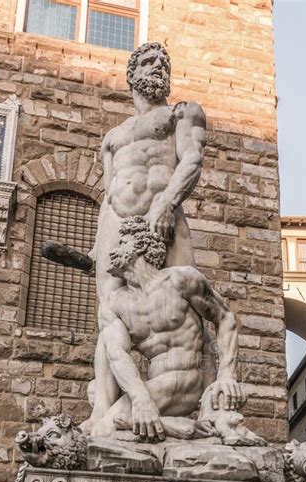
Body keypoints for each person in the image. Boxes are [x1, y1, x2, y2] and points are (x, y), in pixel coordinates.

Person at [83, 41, 207, 435]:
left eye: (164, 62)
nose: (159, 67)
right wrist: (99, 242)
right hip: (116, 226)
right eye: (150, 61)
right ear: (132, 73)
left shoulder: (182, 113)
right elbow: (108, 193)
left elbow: (192, 159)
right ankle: (101, 413)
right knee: (110, 317)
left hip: (165, 220)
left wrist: (167, 203)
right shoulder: (111, 137)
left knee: (188, 305)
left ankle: (202, 407)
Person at [95, 216, 261, 443]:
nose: (113, 251)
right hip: (154, 387)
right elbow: (116, 354)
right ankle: (177, 427)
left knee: (104, 429)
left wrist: (226, 376)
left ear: (141, 245)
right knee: (102, 407)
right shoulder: (114, 302)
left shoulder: (180, 279)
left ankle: (159, 422)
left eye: (122, 243)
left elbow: (225, 319)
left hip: (189, 380)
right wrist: (140, 398)